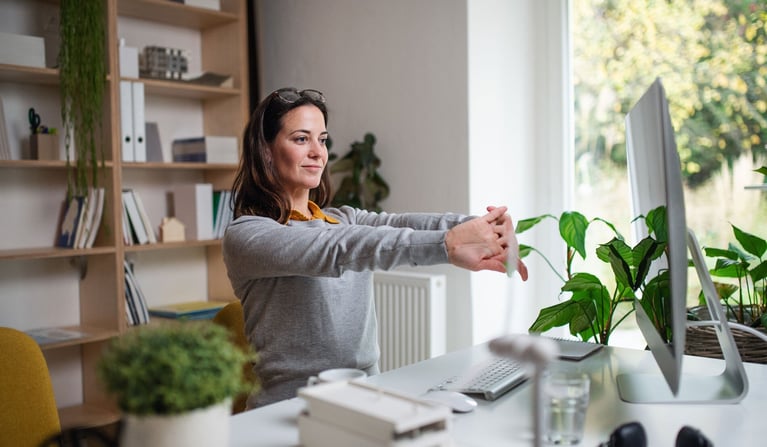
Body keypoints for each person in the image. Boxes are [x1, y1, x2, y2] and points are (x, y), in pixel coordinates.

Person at [223, 87, 528, 409]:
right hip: (289, 407)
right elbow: (338, 249)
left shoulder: (344, 218)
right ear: (266, 151)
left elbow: (400, 223)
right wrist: (448, 244)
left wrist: (483, 225)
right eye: (301, 139)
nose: (318, 152)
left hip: (366, 395)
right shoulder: (248, 235)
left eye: (322, 139)